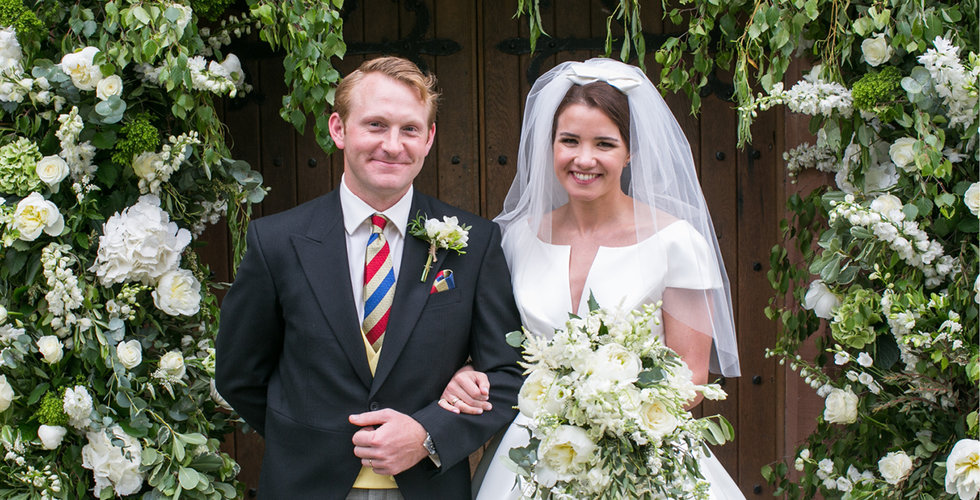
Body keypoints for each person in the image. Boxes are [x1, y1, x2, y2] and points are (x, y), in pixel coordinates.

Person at [215, 56, 524, 499]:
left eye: (410, 129)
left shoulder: (473, 242)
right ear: (339, 129)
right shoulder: (277, 241)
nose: (393, 145)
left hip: (426, 487)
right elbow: (238, 373)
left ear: (430, 138)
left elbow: (508, 372)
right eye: (376, 125)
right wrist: (308, 436)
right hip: (307, 486)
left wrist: (428, 434)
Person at [438, 58, 744, 499]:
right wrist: (466, 373)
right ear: (551, 145)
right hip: (533, 456)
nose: (584, 159)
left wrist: (609, 413)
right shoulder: (514, 240)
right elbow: (494, 349)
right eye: (569, 141)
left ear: (630, 150)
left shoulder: (677, 243)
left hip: (639, 458)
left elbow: (692, 375)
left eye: (604, 143)